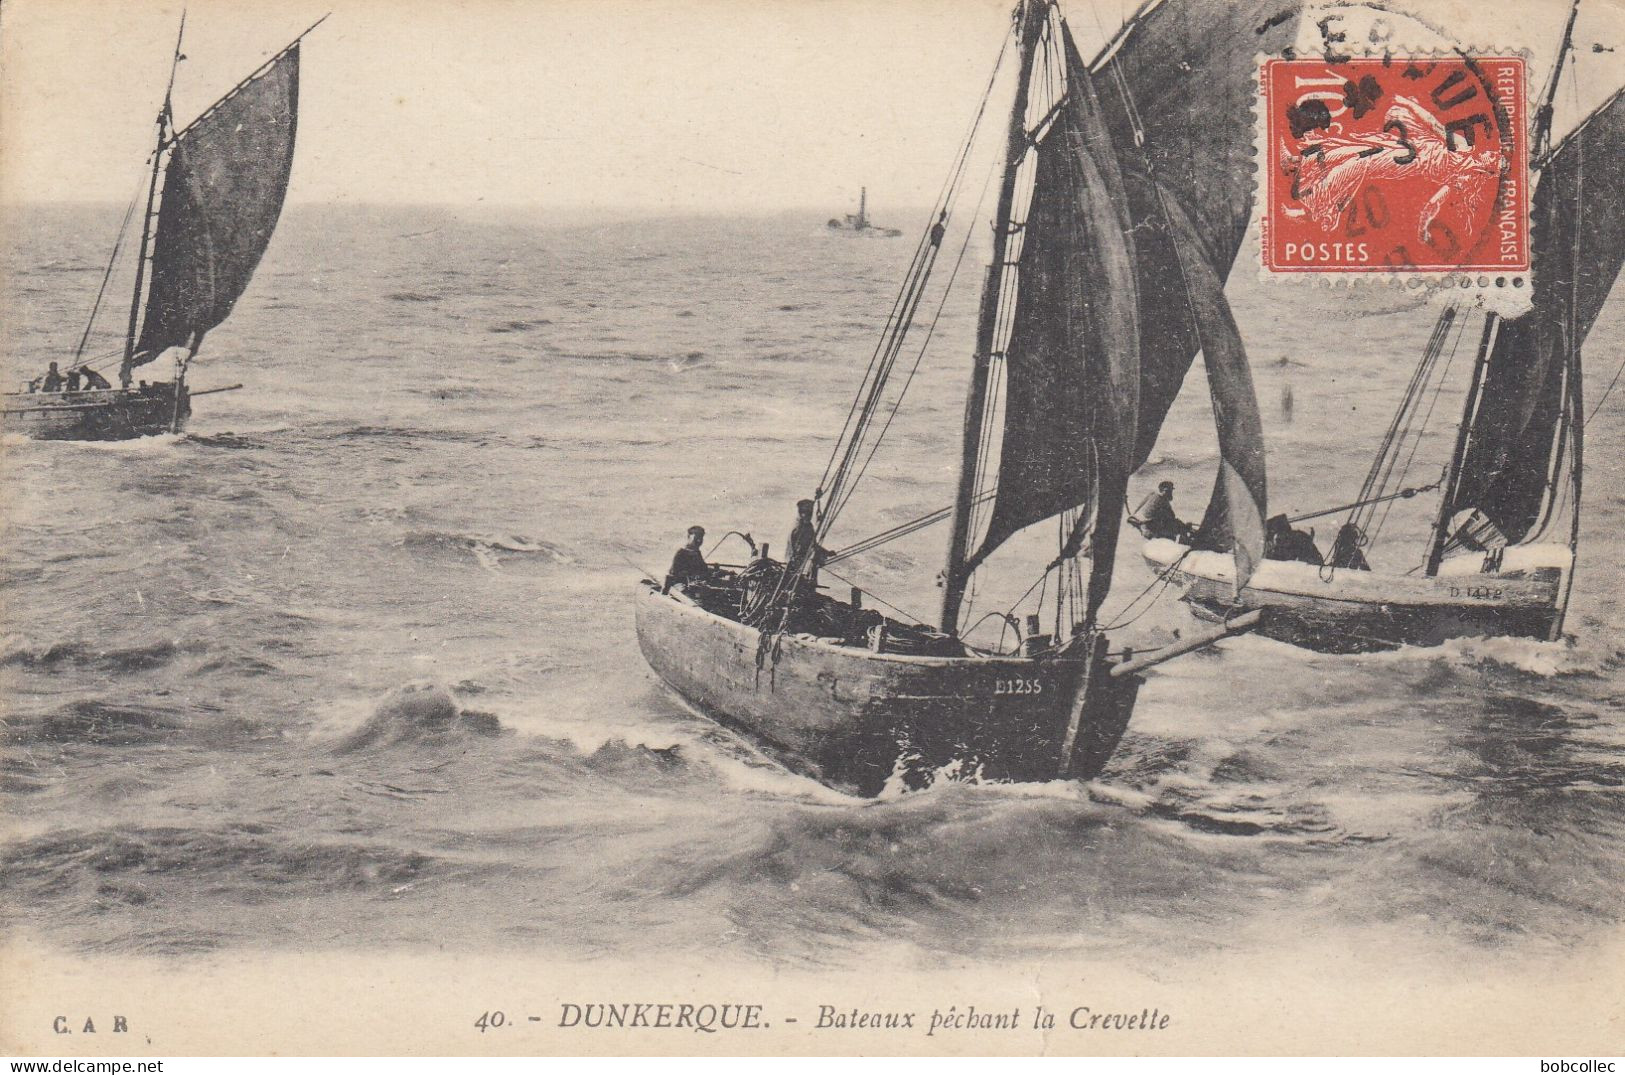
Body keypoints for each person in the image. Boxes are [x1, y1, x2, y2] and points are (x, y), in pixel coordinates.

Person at [786, 499, 828, 581]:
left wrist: (826, 552)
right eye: (807, 513)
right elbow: (792, 546)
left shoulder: (808, 526)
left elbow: (813, 544)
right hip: (794, 561)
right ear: (801, 514)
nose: (810, 516)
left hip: (802, 560)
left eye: (810, 514)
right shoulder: (798, 527)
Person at [663, 525, 711, 593]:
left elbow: (703, 569)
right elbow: (674, 574)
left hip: (694, 584)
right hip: (679, 585)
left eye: (701, 537)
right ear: (689, 537)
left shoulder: (697, 553)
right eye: (696, 537)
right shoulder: (681, 553)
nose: (699, 540)